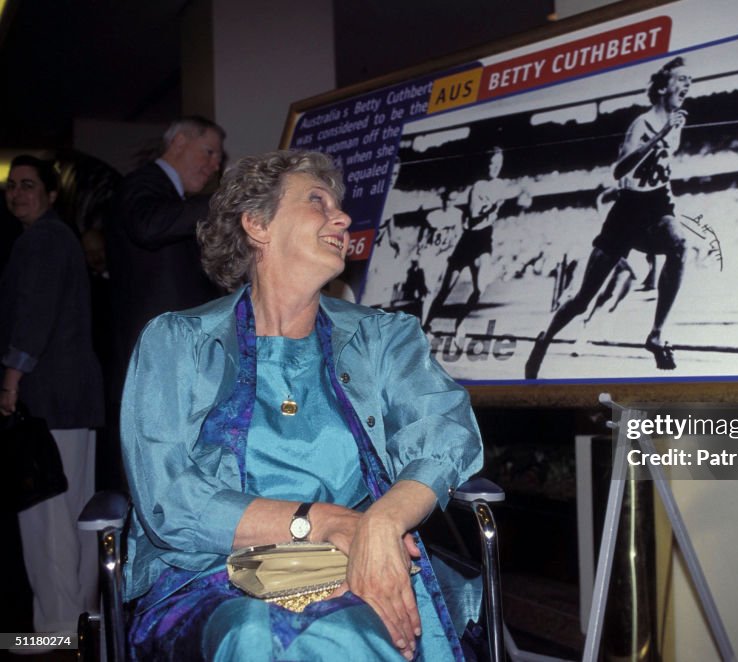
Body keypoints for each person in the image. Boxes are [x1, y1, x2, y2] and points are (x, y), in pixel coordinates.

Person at [121, 150, 483, 660]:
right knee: (260, 634)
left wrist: (379, 523)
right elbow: (167, 497)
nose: (342, 218)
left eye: (339, 206)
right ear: (257, 225)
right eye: (318, 201)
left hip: (361, 561)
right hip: (215, 571)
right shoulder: (180, 342)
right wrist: (323, 522)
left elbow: (446, 431)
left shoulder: (382, 338)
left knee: (351, 631)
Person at [525, 57, 693, 379]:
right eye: (681, 79)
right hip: (627, 211)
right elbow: (618, 171)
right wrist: (660, 137)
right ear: (661, 87)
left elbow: (660, 173)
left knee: (681, 244)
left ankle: (656, 334)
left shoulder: (677, 124)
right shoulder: (642, 123)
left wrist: (669, 204)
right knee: (583, 300)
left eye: (690, 81)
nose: (687, 85)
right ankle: (545, 339)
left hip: (657, 204)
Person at [1, 155, 103, 633]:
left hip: (46, 401)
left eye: (27, 185)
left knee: (47, 517)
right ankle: (82, 618)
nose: (16, 194)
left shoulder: (41, 240)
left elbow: (32, 317)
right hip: (74, 402)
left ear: (51, 194)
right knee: (76, 511)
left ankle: (54, 630)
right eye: (10, 187)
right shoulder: (60, 239)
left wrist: (12, 377)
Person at [106, 116, 225, 384]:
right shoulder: (142, 183)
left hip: (174, 350)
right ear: (179, 141)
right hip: (158, 355)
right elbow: (148, 227)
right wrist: (225, 200)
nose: (215, 165)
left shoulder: (176, 202)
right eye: (209, 152)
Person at [423, 147, 528, 332]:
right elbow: (473, 216)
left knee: (480, 289)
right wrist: (493, 206)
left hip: (484, 239)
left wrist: (522, 197)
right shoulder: (478, 186)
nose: (494, 167)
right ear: (486, 164)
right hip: (469, 239)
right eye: (491, 163)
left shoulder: (501, 185)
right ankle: (425, 326)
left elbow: (515, 197)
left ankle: (459, 323)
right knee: (445, 291)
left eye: (498, 164)